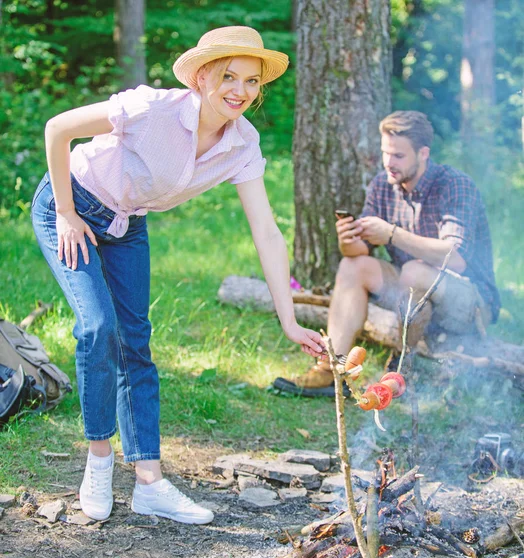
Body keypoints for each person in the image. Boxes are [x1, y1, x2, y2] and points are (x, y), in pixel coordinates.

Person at [31, 26, 324, 523]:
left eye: (251, 81)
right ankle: (99, 460)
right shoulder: (153, 108)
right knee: (98, 327)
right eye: (228, 76)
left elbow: (268, 233)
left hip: (127, 223)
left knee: (135, 342)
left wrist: (290, 321)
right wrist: (63, 211)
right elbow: (58, 128)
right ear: (202, 76)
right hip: (72, 204)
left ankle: (149, 482)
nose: (240, 90)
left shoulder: (242, 144)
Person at [274, 110, 500, 397]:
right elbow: (361, 250)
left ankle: (402, 366)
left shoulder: (454, 185)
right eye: (385, 153)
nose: (389, 163)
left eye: (398, 156)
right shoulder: (384, 184)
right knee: (353, 265)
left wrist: (392, 234)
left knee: (414, 270)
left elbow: (456, 257)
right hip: (411, 295)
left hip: (469, 301)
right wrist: (348, 240)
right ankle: (332, 370)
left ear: (423, 153)